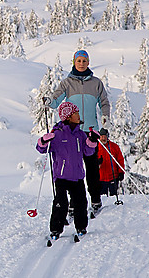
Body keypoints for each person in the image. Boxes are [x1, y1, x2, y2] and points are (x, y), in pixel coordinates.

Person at [45, 49, 110, 214]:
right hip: (72, 133)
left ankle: (95, 199)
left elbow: (104, 103)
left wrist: (105, 124)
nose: (81, 64)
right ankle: (75, 202)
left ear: (88, 63)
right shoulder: (67, 83)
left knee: (92, 166)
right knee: (74, 168)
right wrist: (49, 101)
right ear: (74, 62)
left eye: (84, 61)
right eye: (79, 61)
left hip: (90, 131)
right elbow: (56, 99)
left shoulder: (96, 83)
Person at [36, 101, 99, 240]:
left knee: (81, 203)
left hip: (77, 176)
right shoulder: (57, 135)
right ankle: (55, 230)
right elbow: (41, 149)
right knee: (61, 203)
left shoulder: (80, 134)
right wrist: (43, 141)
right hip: (61, 177)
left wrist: (92, 142)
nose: (78, 115)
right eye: (76, 113)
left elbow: (88, 152)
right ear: (68, 117)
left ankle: (81, 227)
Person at [96, 128, 125, 201]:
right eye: (102, 136)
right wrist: (97, 162)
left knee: (114, 197)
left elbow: (120, 160)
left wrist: (121, 172)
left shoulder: (114, 146)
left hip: (113, 177)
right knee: (102, 198)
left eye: (105, 136)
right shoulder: (96, 147)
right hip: (101, 178)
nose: (103, 138)